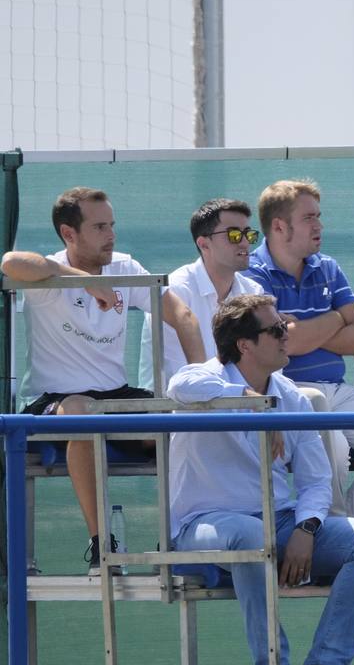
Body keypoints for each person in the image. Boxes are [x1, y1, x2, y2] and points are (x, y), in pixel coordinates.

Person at [168, 294, 354, 665]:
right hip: (201, 526)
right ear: (244, 345)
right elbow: (178, 385)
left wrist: (307, 528)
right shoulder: (202, 378)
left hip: (278, 521)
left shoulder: (289, 395)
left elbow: (316, 479)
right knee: (251, 534)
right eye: (275, 330)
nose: (287, 334)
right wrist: (248, 402)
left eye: (283, 325)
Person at [2, 186, 206, 571]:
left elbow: (183, 316)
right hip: (58, 399)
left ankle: (178, 534)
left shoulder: (125, 268)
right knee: (82, 413)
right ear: (69, 234)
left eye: (111, 225)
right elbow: (10, 262)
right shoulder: (47, 271)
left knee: (182, 422)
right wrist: (79, 277)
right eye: (99, 227)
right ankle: (102, 545)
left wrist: (201, 377)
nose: (111, 234)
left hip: (117, 398)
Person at [245, 180, 354, 522]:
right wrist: (337, 317)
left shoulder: (327, 266)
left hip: (339, 390)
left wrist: (303, 328)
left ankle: (348, 529)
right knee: (337, 452)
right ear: (280, 226)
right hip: (291, 393)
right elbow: (283, 343)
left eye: (319, 216)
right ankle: (331, 538)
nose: (320, 225)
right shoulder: (253, 273)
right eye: (310, 218)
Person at [143, 198, 266, 386]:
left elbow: (264, 363)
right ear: (204, 244)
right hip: (181, 409)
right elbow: (179, 377)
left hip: (239, 403)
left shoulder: (253, 291)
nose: (244, 243)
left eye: (248, 234)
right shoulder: (175, 292)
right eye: (234, 235)